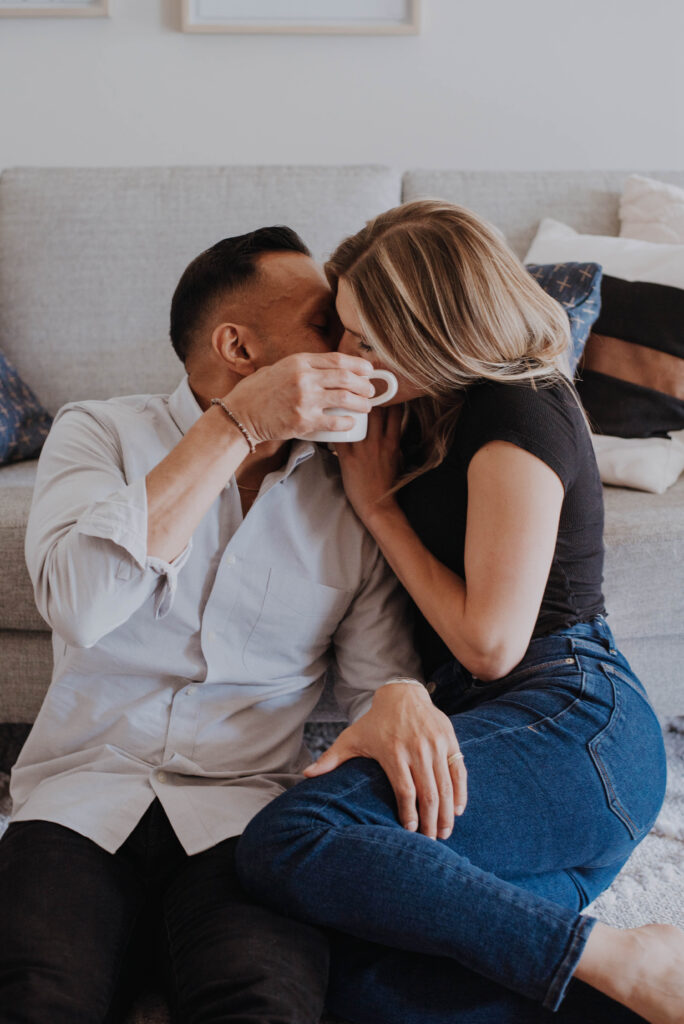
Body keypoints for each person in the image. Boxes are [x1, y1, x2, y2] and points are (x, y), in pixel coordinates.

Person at [235, 201, 684, 1024]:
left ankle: (623, 955)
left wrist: (379, 508)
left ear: (436, 331)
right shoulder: (418, 409)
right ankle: (617, 987)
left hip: (573, 723)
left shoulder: (522, 406)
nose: (347, 354)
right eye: (343, 329)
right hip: (499, 740)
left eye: (367, 339)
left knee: (291, 838)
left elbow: (490, 644)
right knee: (364, 983)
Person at [0, 226, 437, 1023]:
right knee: (34, 995)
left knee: (268, 1003)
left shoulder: (350, 483)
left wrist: (404, 694)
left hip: (246, 820)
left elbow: (379, 683)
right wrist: (236, 426)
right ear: (237, 345)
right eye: (322, 327)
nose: (349, 348)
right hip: (78, 800)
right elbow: (82, 605)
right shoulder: (98, 432)